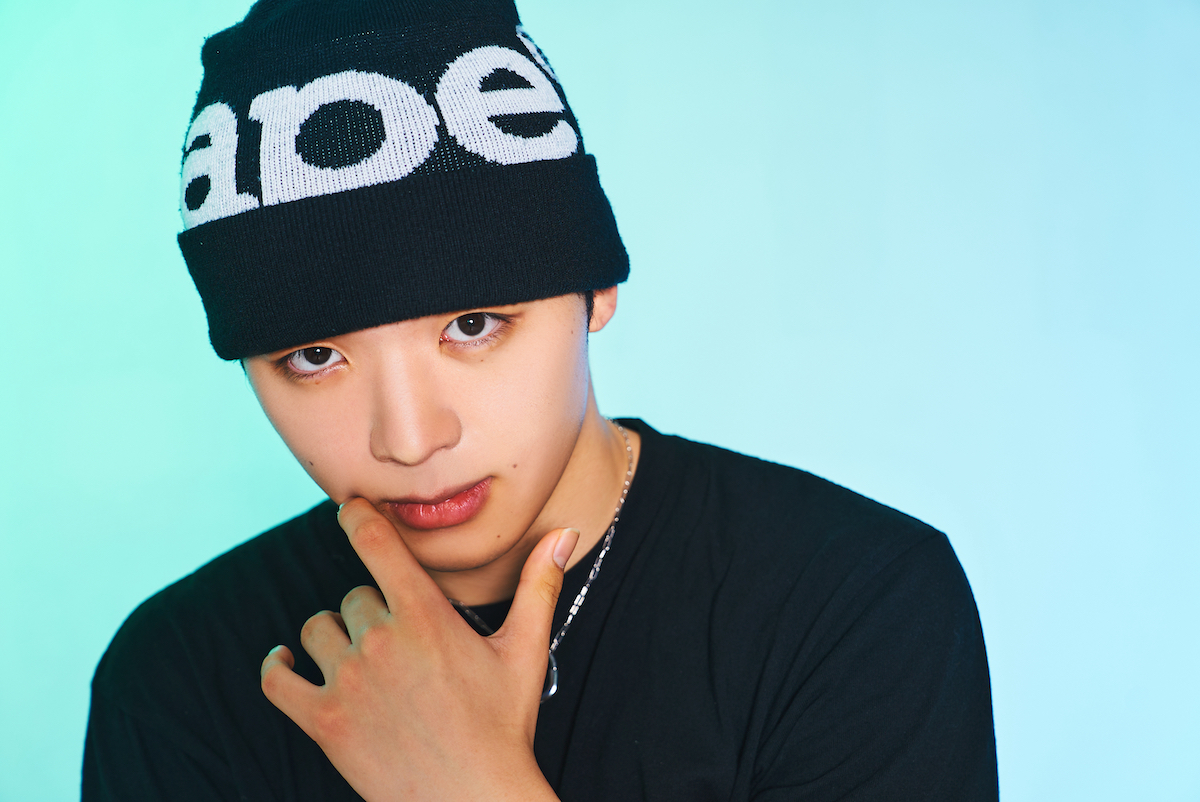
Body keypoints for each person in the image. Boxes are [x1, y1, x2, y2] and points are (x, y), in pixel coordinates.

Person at [83, 0, 999, 799]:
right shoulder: (183, 676)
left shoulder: (851, 607)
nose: (410, 439)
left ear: (596, 287)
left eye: (473, 324)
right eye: (315, 356)